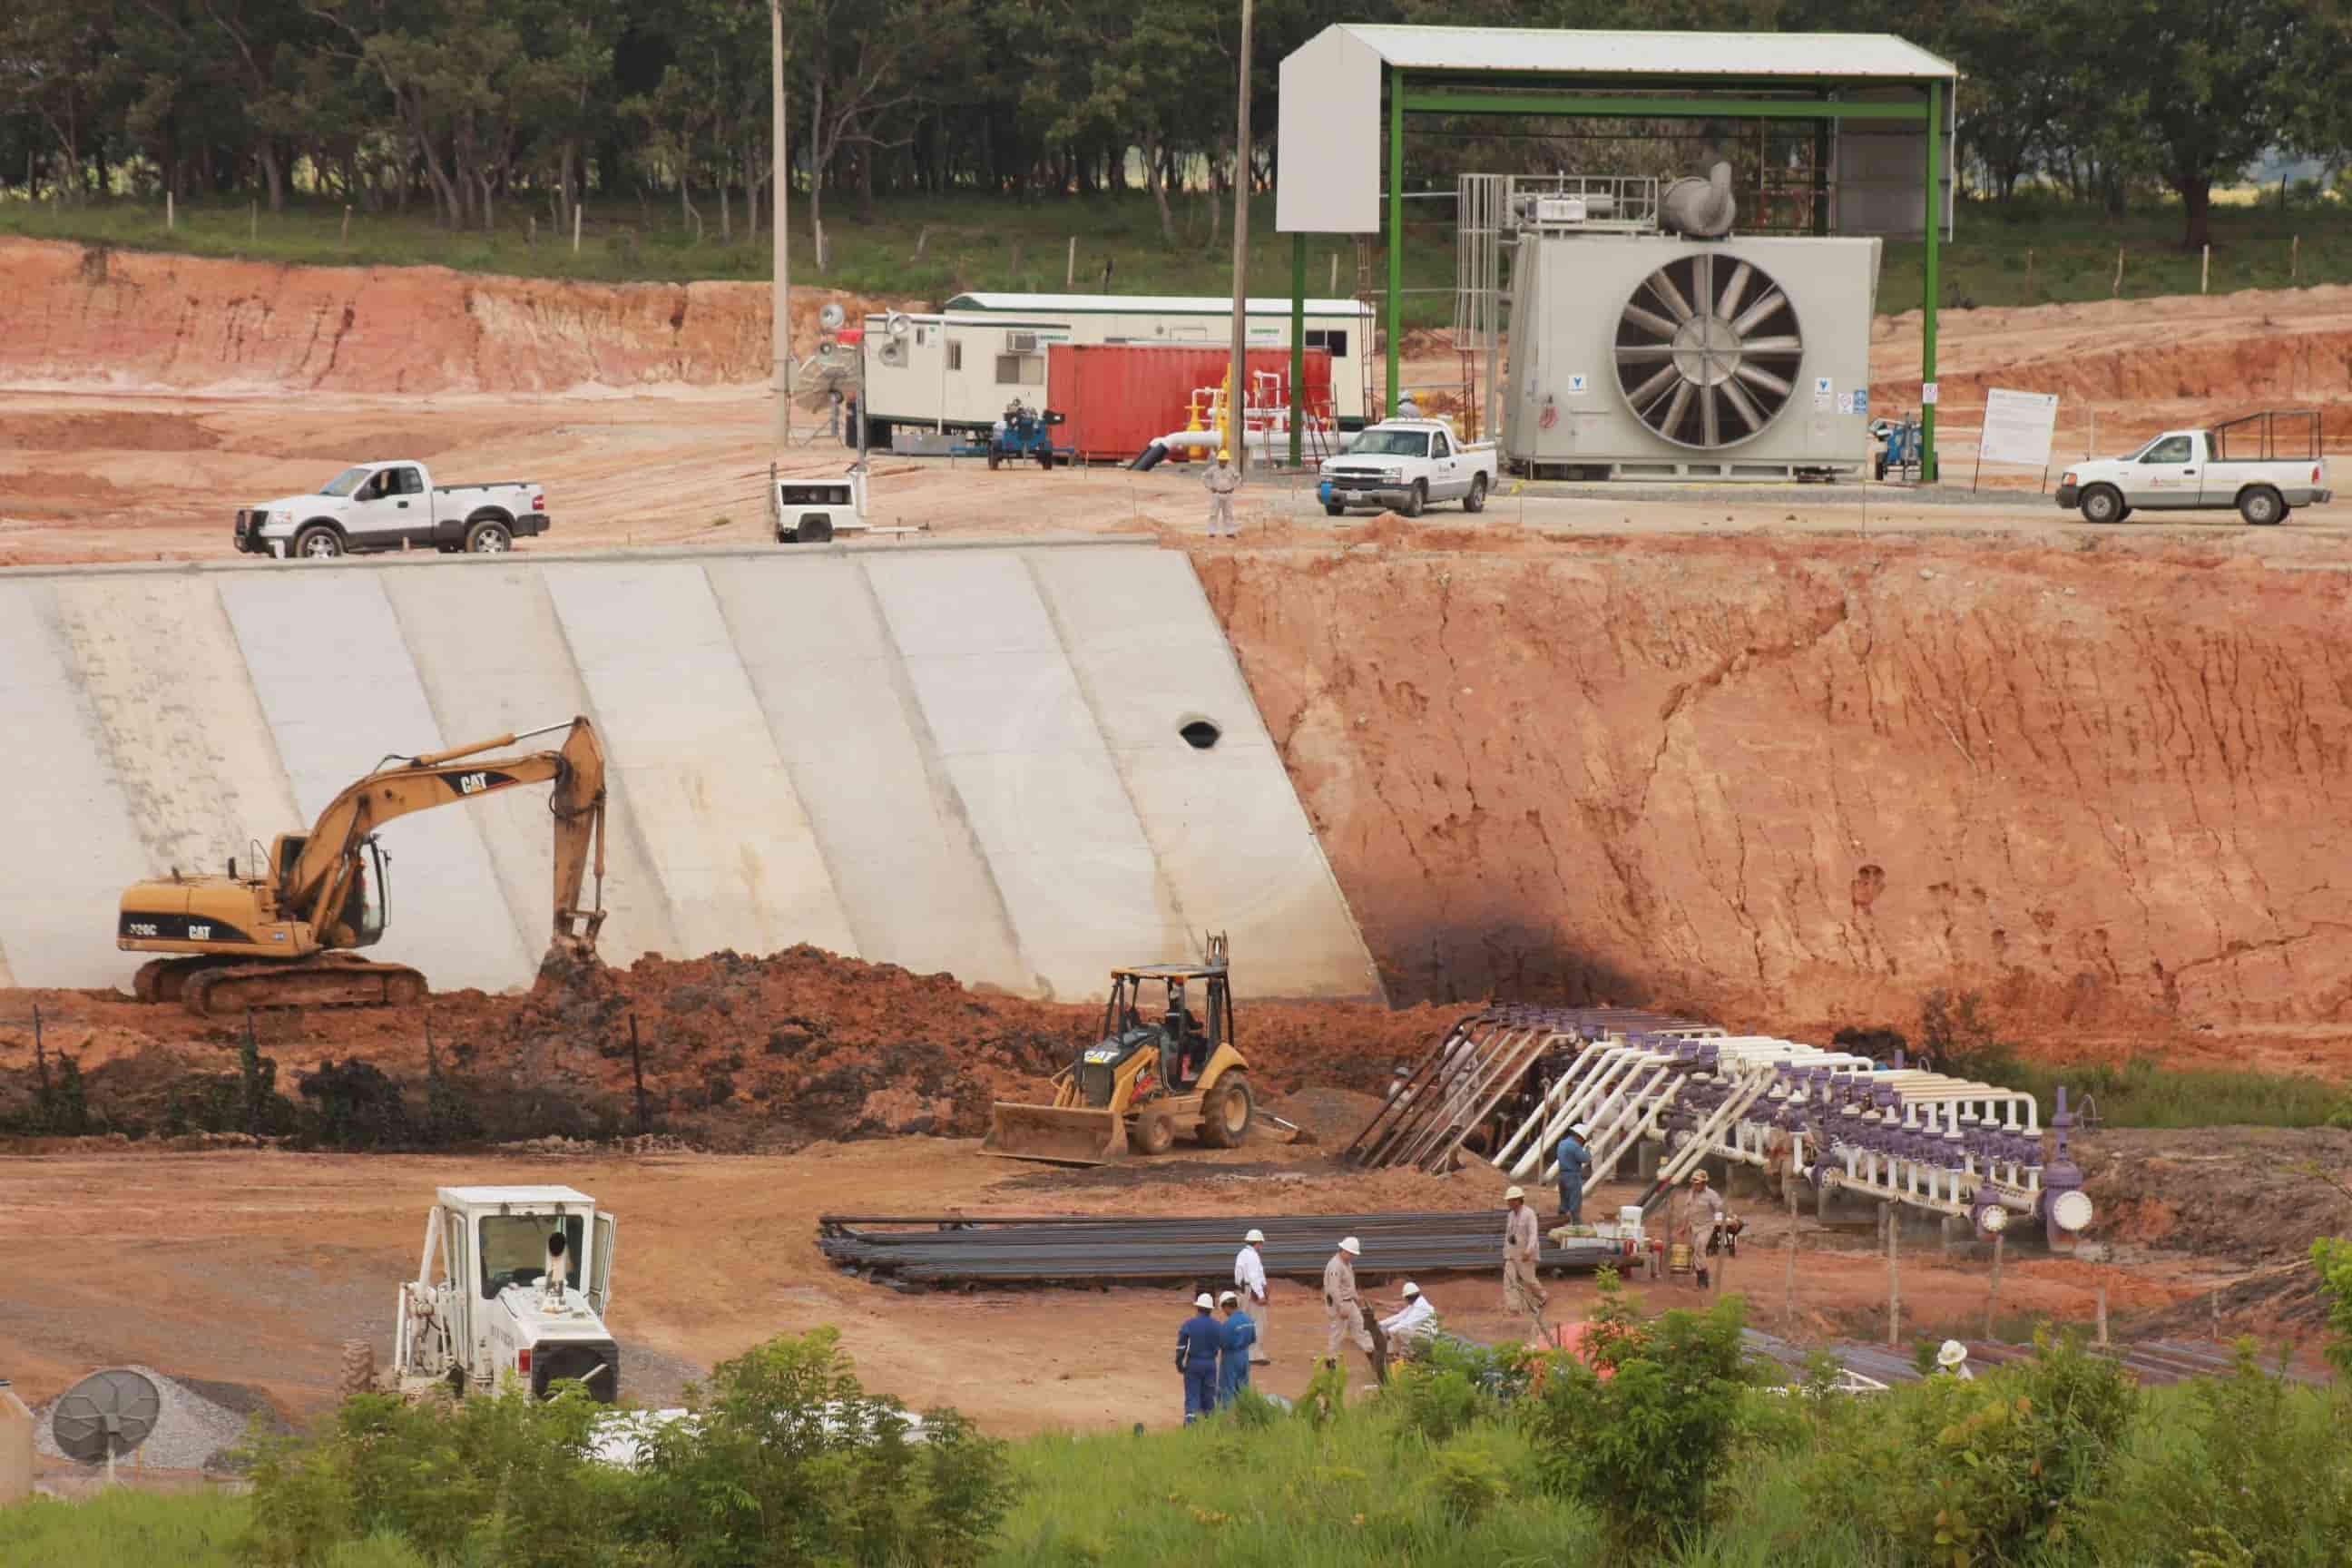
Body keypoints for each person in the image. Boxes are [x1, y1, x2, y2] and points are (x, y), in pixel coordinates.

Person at [1323, 1236, 1379, 1376]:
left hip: (1350, 1302)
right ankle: (1331, 1363)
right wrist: (1341, 1306)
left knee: (1361, 1328)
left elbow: (1349, 1284)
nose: (1352, 1256)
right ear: (1342, 1250)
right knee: (1337, 1334)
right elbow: (1333, 1289)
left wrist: (1356, 1297)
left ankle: (1373, 1357)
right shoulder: (1335, 1265)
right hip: (1340, 1304)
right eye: (1350, 1253)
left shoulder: (1347, 1264)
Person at [1502, 1186, 1549, 1332]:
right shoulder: (1510, 1215)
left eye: (1511, 1200)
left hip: (1527, 1252)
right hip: (1512, 1252)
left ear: (1518, 1200)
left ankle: (1542, 1295)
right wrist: (1505, 1253)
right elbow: (1508, 1235)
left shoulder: (1529, 1214)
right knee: (1509, 1279)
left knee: (1528, 1279)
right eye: (1508, 1200)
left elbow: (1533, 1234)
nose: (1509, 1203)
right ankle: (1514, 1307)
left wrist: (1529, 1251)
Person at [1671, 1169, 1727, 1289]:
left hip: (1706, 1226)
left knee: (1699, 1248)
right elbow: (1687, 1212)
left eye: (1697, 1183)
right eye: (1694, 1183)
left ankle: (1701, 1280)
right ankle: (1704, 1276)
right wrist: (1683, 1227)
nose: (1695, 1185)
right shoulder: (1691, 1193)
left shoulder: (1711, 1194)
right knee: (1696, 1251)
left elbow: (1721, 1207)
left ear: (1704, 1183)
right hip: (1693, 1226)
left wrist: (1730, 1216)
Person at [1176, 1290, 1223, 1423]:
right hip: (1210, 1365)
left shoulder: (1189, 1324)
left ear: (1198, 1308)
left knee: (1192, 1395)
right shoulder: (1218, 1325)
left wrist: (1179, 1364)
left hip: (1193, 1364)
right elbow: (1223, 1344)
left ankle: (1191, 1424)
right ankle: (1209, 1424)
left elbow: (1181, 1347)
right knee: (1209, 1395)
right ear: (1210, 1309)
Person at [1234, 1228, 1271, 1363]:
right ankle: (1255, 1355)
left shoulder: (1242, 1254)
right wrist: (1261, 1295)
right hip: (1252, 1291)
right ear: (1257, 1242)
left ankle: (1243, 1352)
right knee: (1259, 1323)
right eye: (1261, 1243)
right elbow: (1254, 1277)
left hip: (1243, 1291)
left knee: (1244, 1322)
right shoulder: (1253, 1256)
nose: (1261, 1246)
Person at [1217, 1290, 1257, 1406]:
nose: (1224, 1312)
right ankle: (1244, 1415)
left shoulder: (1228, 1324)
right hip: (1244, 1356)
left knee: (1228, 1389)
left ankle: (1226, 1418)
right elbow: (1253, 1338)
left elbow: (1222, 1343)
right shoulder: (1249, 1320)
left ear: (1226, 1306)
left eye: (1223, 1309)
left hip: (1230, 1358)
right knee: (1243, 1388)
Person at [1553, 1121, 1593, 1222]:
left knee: (1564, 1201)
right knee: (1574, 1201)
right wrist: (1588, 1150)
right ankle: (1576, 1223)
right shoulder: (1575, 1146)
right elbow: (1585, 1159)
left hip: (1562, 1176)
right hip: (1572, 1176)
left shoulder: (1562, 1143)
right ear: (1579, 1136)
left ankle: (1560, 1221)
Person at [1378, 1280, 1438, 1347]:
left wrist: (1389, 1331)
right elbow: (1400, 1316)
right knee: (1392, 1328)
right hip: (1421, 1332)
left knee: (1399, 1331)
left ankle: (1403, 1353)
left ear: (1408, 1298)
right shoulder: (1415, 1304)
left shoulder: (1420, 1307)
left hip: (1427, 1337)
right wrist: (1381, 1323)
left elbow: (1405, 1322)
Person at [1204, 450, 1240, 537]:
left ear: (1227, 461)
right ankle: (1212, 532)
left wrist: (1233, 487)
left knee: (1228, 514)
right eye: (1221, 460)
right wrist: (1210, 487)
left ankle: (1229, 532)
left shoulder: (1231, 469)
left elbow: (1238, 478)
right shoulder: (1213, 469)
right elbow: (1205, 477)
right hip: (1216, 494)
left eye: (1225, 460)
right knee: (1213, 514)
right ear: (1218, 460)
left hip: (1228, 494)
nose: (1223, 462)